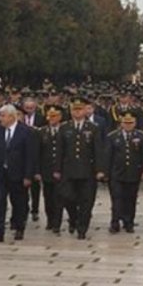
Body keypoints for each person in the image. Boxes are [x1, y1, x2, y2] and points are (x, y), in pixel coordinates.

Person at [54, 97, 106, 240]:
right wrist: (57, 169)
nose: (77, 112)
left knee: (86, 201)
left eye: (80, 109)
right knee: (68, 198)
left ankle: (82, 228)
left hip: (87, 171)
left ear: (85, 110)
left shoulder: (93, 128)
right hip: (69, 170)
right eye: (74, 110)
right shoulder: (65, 127)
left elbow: (98, 150)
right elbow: (60, 150)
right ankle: (73, 218)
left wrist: (100, 170)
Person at [0, 104, 34, 243]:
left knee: (18, 202)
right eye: (0, 116)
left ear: (12, 117)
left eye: (3, 116)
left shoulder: (25, 132)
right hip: (1, 173)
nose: (0, 119)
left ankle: (19, 227)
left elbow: (30, 156)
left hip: (18, 174)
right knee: (0, 201)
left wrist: (28, 175)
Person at [105, 112, 143, 233]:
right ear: (121, 123)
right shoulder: (113, 136)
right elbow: (108, 155)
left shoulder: (141, 136)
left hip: (133, 173)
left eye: (131, 123)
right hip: (117, 173)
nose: (128, 125)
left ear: (135, 123)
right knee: (116, 199)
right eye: (126, 123)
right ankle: (115, 222)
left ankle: (128, 222)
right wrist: (105, 172)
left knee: (131, 199)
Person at [34, 105, 65, 233]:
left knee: (59, 197)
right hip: (46, 170)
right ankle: (50, 220)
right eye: (49, 116)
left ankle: (57, 222)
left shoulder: (64, 131)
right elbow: (37, 153)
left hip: (61, 170)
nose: (51, 118)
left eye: (54, 116)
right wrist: (37, 171)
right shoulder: (41, 132)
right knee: (48, 197)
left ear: (60, 117)